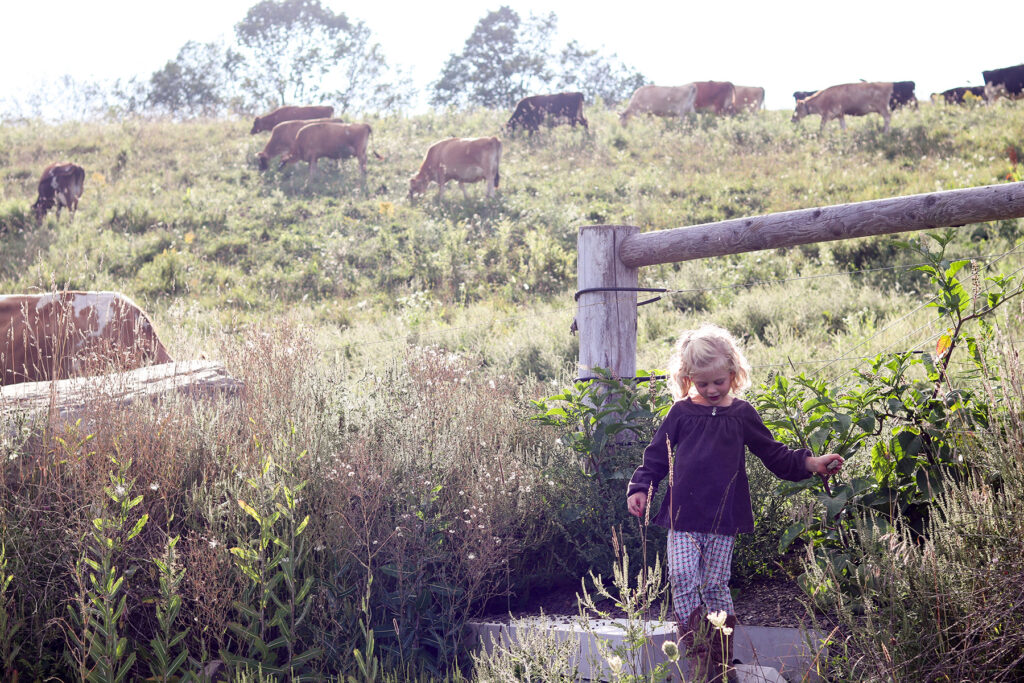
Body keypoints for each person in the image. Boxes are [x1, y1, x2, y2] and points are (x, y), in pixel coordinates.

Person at [626, 323, 843, 681]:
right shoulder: (680, 413)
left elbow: (773, 453)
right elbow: (655, 457)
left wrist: (809, 463)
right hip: (682, 517)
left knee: (714, 585)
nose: (711, 390)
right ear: (687, 378)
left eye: (718, 382)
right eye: (702, 383)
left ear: (733, 372)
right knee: (681, 576)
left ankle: (720, 659)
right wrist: (640, 487)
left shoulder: (741, 414)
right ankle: (697, 653)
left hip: (723, 519)